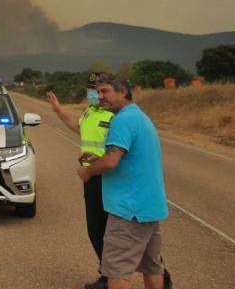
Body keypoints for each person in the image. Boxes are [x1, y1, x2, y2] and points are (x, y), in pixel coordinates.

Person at [77, 74, 170, 289]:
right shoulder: (139, 116)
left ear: (122, 92)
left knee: (117, 270)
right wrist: (97, 158)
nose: (100, 96)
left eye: (105, 91)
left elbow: (111, 161)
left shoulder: (122, 120)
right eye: (98, 92)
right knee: (152, 266)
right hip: (148, 206)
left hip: (129, 210)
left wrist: (89, 171)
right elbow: (125, 158)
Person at [46, 74, 115, 289]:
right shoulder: (90, 112)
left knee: (123, 230)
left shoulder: (115, 116)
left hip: (111, 177)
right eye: (91, 90)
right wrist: (59, 111)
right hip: (92, 178)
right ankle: (108, 275)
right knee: (96, 229)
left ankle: (158, 272)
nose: (95, 94)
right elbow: (78, 126)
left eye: (99, 90)